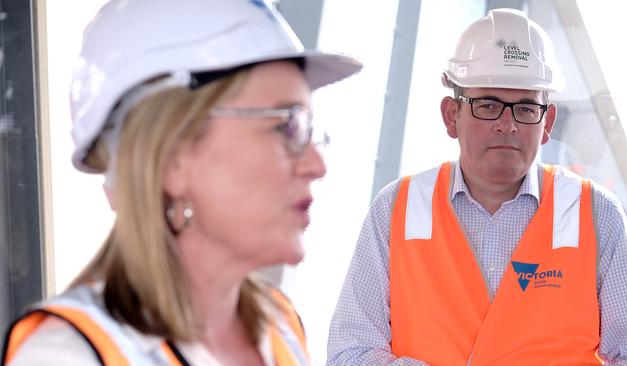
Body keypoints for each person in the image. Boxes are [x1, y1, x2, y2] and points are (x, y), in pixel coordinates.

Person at [1, 0, 360, 365]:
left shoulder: (279, 326)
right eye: (287, 127)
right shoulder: (66, 357)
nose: (317, 165)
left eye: (309, 130)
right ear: (171, 157)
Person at [327, 8, 627, 366]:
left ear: (547, 122)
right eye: (489, 105)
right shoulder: (397, 210)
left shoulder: (595, 214)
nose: (507, 125)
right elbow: (350, 351)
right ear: (452, 115)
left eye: (526, 108)